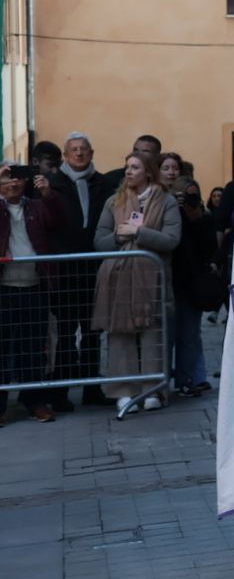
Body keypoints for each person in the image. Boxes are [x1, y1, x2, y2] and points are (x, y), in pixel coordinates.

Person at [93, 150, 181, 415]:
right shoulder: (114, 201)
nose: (128, 171)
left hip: (152, 279)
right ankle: (123, 392)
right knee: (120, 335)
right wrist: (120, 238)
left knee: (153, 332)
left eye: (134, 167)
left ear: (148, 172)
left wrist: (139, 233)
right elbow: (99, 241)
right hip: (119, 279)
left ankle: (153, 389)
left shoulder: (166, 201)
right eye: (127, 166)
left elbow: (171, 239)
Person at [47, 132, 118, 407]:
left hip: (94, 270)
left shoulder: (105, 184)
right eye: (73, 150)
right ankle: (61, 393)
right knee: (65, 333)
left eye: (83, 149)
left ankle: (92, 390)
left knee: (92, 332)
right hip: (64, 270)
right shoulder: (52, 185)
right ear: (65, 156)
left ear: (91, 153)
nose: (79, 153)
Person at [0, 162, 68, 424]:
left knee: (33, 348)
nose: (13, 183)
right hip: (4, 288)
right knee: (2, 348)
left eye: (17, 178)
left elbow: (59, 220)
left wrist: (48, 194)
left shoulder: (36, 206)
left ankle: (34, 401)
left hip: (35, 285)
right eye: (7, 178)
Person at [168, 176, 217, 396]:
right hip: (168, 280)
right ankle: (161, 383)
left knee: (189, 334)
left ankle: (187, 379)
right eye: (183, 194)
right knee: (166, 336)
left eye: (192, 194)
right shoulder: (166, 212)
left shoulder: (203, 218)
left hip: (191, 283)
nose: (188, 198)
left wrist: (195, 218)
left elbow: (208, 247)